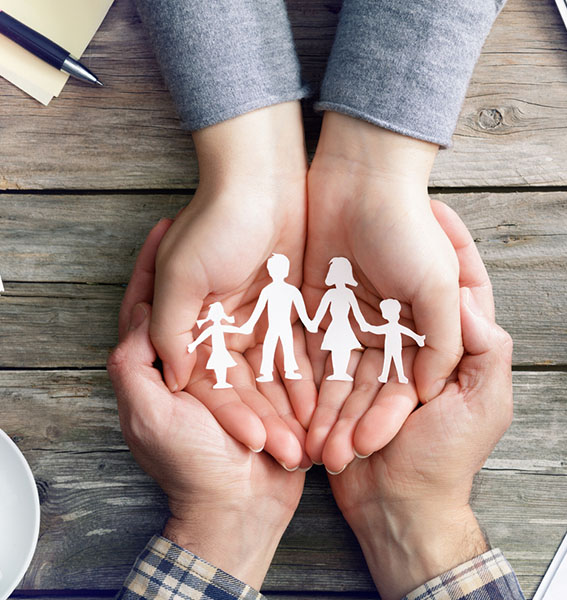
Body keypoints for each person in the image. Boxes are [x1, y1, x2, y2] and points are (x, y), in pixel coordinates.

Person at [132, 0, 507, 464]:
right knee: (281, 351)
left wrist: (374, 173)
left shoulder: (325, 295)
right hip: (302, 331)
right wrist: (255, 170)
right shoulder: (310, 294)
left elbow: (314, 313)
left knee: (287, 353)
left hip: (329, 332)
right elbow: (302, 313)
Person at [108, 204, 524, 599]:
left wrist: (223, 515)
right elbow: (288, 317)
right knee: (286, 353)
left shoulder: (315, 296)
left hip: (333, 338)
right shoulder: (291, 293)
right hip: (293, 336)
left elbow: (334, 318)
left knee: (296, 356)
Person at [238, 253, 315, 382]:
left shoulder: (291, 291)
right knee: (269, 347)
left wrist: (308, 323)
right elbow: (258, 309)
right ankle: (267, 373)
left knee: (287, 347)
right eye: (272, 269)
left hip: (284, 326)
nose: (274, 272)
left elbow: (302, 311)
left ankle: (290, 370)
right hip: (273, 326)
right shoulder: (268, 290)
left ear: (285, 271)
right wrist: (249, 324)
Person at [310, 257, 370, 381]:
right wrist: (314, 323)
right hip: (335, 324)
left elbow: (356, 311)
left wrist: (363, 324)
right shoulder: (330, 294)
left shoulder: (349, 293)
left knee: (344, 348)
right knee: (336, 348)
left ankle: (342, 372)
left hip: (344, 324)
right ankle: (337, 372)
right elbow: (321, 309)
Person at [366, 299, 426, 384]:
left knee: (395, 360)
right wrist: (369, 328)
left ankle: (398, 376)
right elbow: (377, 330)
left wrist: (369, 328)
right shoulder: (391, 326)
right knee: (390, 360)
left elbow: (377, 330)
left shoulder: (393, 326)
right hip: (390, 346)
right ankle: (385, 376)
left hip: (396, 346)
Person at [187, 302, 238, 389]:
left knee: (223, 365)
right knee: (219, 365)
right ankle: (220, 382)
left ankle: (222, 382)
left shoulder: (219, 327)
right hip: (217, 351)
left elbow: (233, 329)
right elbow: (202, 337)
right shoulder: (212, 328)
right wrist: (193, 345)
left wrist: (243, 329)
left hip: (222, 350)